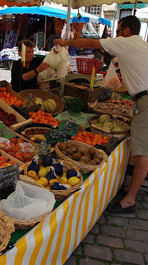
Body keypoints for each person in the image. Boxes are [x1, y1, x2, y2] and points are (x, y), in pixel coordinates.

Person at [54, 15, 148, 214]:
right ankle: (130, 188)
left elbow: (90, 42)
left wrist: (66, 42)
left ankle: (130, 199)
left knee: (141, 153)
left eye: (118, 30)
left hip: (146, 102)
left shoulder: (125, 42)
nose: (115, 35)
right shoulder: (140, 44)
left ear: (126, 31)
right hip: (142, 99)